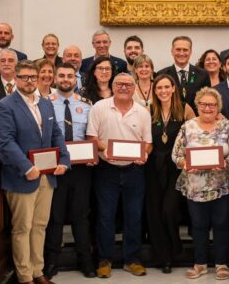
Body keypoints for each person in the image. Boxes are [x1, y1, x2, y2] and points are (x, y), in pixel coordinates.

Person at [0, 60, 70, 284]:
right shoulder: (4, 106)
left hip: (47, 175)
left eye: (32, 77)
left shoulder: (45, 103)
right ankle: (25, 276)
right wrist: (26, 167)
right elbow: (6, 143)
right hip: (21, 177)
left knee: (39, 226)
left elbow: (56, 133)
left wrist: (64, 160)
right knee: (22, 228)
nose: (29, 81)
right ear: (15, 79)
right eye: (24, 77)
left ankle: (38, 272)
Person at [86, 73, 153, 278]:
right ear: (112, 86)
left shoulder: (142, 112)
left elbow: (148, 143)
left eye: (128, 84)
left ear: (134, 88)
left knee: (133, 217)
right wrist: (109, 148)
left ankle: (132, 259)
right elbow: (91, 137)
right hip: (107, 170)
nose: (124, 87)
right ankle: (105, 260)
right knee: (105, 217)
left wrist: (144, 155)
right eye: (119, 84)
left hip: (134, 171)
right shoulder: (99, 107)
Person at [172, 88, 229, 280]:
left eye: (212, 104)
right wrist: (185, 164)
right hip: (195, 186)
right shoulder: (188, 126)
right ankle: (200, 263)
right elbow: (176, 155)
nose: (207, 108)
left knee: (221, 224)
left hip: (222, 184)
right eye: (203, 104)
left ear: (218, 107)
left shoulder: (228, 126)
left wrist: (226, 163)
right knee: (198, 225)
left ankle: (221, 263)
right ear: (197, 105)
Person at [44, 62, 96, 279]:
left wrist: (93, 155)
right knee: (55, 217)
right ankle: (51, 262)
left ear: (76, 79)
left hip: (81, 169)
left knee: (81, 216)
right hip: (54, 168)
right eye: (62, 76)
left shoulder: (86, 104)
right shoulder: (44, 103)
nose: (66, 79)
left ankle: (86, 262)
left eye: (70, 76)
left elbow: (91, 135)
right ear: (55, 78)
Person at [145, 74, 191, 274]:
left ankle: (175, 247)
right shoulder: (148, 110)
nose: (163, 91)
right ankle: (163, 257)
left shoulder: (185, 109)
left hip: (176, 168)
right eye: (159, 88)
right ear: (155, 91)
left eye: (166, 87)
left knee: (169, 210)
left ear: (174, 88)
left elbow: (196, 134)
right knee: (154, 213)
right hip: (152, 168)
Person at [156, 36, 208, 110]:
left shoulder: (203, 74)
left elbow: (207, 100)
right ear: (172, 51)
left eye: (185, 50)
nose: (181, 53)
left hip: (196, 119)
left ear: (190, 52)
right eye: (178, 49)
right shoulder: (162, 74)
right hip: (171, 119)